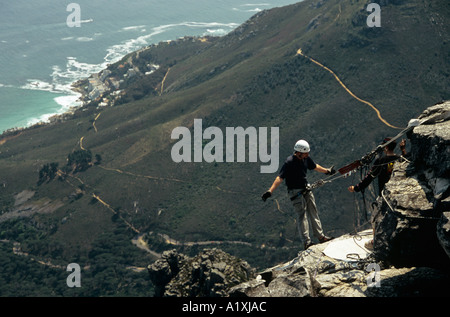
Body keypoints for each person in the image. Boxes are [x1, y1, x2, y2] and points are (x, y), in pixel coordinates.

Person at [262, 139, 335, 250]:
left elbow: (314, 166)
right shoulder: (289, 162)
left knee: (313, 210)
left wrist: (327, 171)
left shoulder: (305, 159)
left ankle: (320, 236)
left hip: (305, 188)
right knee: (302, 215)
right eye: (306, 153)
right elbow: (280, 177)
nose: (308, 154)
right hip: (295, 192)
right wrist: (270, 191)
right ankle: (307, 242)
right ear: (299, 153)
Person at [348, 137, 407, 250]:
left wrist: (356, 188)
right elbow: (407, 161)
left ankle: (375, 241)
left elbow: (369, 178)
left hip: (384, 195)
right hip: (399, 194)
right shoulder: (399, 159)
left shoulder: (380, 162)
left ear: (385, 147)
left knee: (375, 218)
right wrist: (403, 149)